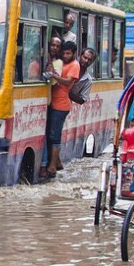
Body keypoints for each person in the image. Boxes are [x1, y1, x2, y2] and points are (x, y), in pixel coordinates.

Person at [40, 41, 80, 178]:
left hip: (61, 105)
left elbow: (68, 81)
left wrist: (53, 76)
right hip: (54, 102)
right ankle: (57, 162)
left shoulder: (75, 65)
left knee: (54, 135)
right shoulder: (62, 63)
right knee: (51, 134)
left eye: (68, 53)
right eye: (64, 53)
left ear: (74, 53)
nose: (65, 55)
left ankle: (52, 166)